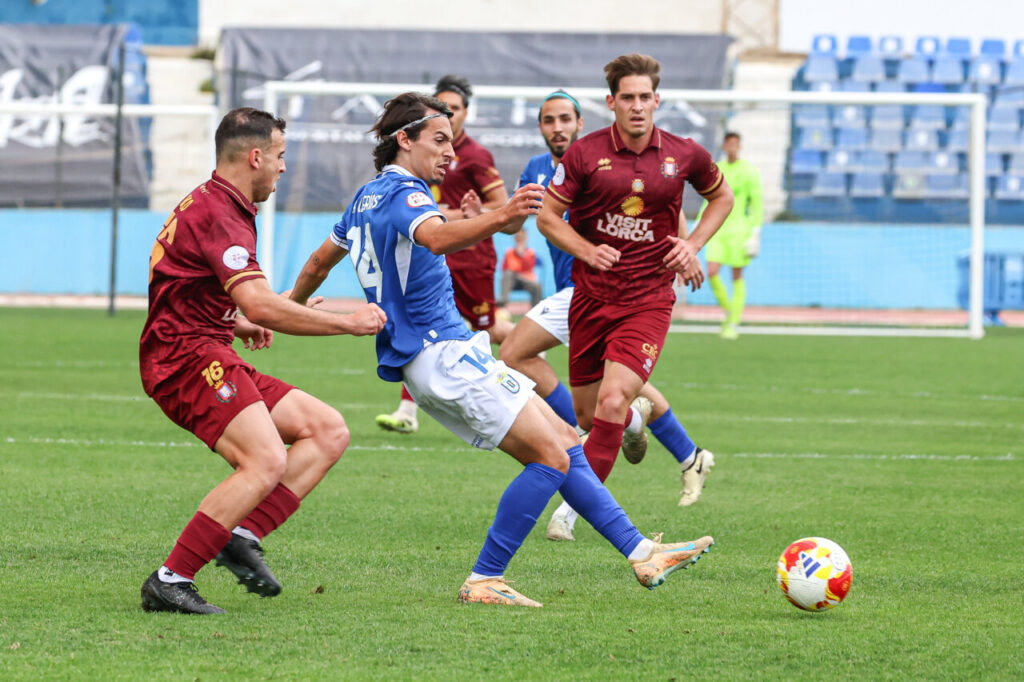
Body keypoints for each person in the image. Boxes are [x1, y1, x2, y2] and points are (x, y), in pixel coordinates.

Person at [288, 92, 713, 607]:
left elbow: (316, 262)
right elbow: (437, 238)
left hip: (440, 358)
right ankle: (485, 578)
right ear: (404, 140)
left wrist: (290, 307)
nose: (450, 152)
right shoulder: (407, 194)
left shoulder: (365, 197)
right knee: (552, 457)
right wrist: (499, 215)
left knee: (562, 437)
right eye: (439, 140)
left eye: (451, 141)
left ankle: (641, 550)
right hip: (442, 356)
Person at [138, 107, 387, 615]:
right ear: (255, 156)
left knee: (327, 430)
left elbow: (189, 290)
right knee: (267, 459)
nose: (283, 167)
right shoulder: (220, 212)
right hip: (185, 359)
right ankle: (171, 579)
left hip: (207, 346)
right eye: (279, 156)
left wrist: (236, 320)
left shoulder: (218, 203)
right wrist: (346, 321)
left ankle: (240, 536)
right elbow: (258, 301)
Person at [499, 91, 716, 544]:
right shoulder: (538, 170)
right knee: (609, 393)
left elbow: (657, 207)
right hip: (577, 294)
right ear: (540, 128)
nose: (557, 127)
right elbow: (514, 222)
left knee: (536, 361)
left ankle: (587, 475)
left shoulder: (601, 158)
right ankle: (674, 447)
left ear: (580, 122)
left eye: (564, 119)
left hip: (609, 286)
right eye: (548, 120)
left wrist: (686, 248)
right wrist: (480, 216)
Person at [537, 55, 735, 521]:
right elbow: (547, 217)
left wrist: (693, 246)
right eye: (628, 97)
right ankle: (639, 424)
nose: (638, 106)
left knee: (612, 399)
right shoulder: (584, 154)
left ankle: (574, 510)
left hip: (647, 300)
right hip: (589, 298)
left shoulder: (684, 154)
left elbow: (721, 197)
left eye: (646, 97)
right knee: (588, 416)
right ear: (611, 103)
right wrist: (586, 251)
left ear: (657, 100)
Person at [375, 74, 512, 435]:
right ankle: (407, 410)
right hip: (434, 254)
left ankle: (522, 364)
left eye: (454, 108)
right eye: (441, 107)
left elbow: (500, 207)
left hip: (472, 259)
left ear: (467, 112)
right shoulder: (414, 161)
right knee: (426, 329)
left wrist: (469, 214)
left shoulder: (477, 156)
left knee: (488, 331)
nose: (448, 114)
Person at [700, 131, 764, 339]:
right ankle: (730, 312)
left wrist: (755, 232)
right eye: (729, 144)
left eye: (736, 143)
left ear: (740, 146)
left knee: (737, 274)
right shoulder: (717, 169)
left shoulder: (749, 171)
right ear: (724, 146)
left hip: (739, 229)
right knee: (711, 271)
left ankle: (732, 322)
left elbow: (756, 203)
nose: (732, 147)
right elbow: (708, 199)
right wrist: (699, 226)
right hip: (718, 228)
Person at [498, 228, 543, 307]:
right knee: (508, 274)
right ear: (515, 238)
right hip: (513, 280)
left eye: (522, 237)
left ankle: (535, 309)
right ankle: (502, 303)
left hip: (527, 280)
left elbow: (528, 267)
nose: (520, 239)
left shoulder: (530, 252)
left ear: (525, 238)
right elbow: (506, 269)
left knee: (537, 285)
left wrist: (522, 254)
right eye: (518, 237)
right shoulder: (509, 252)